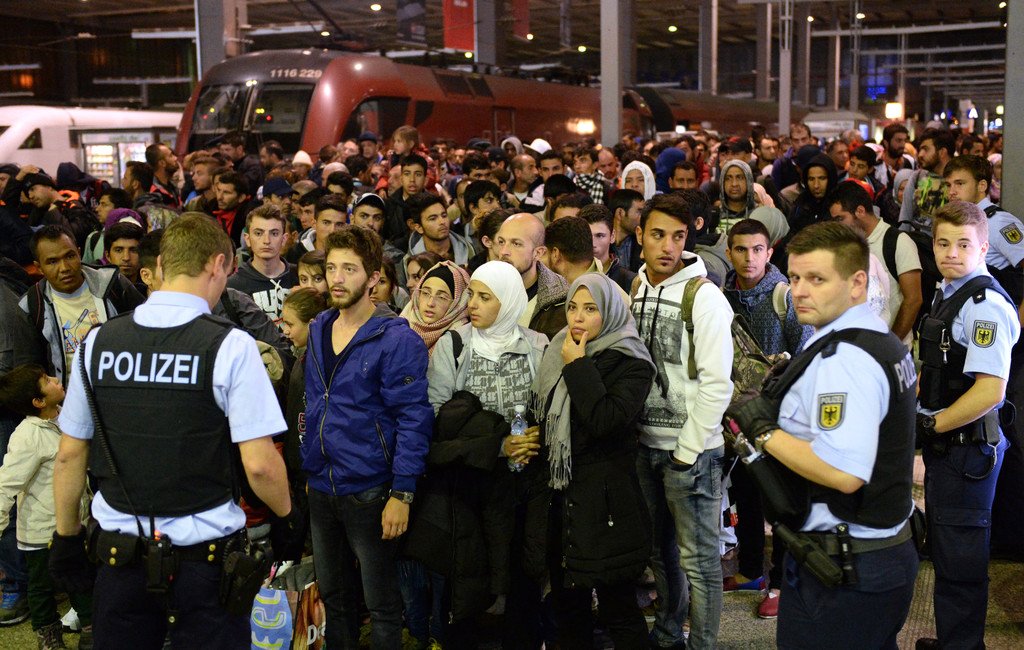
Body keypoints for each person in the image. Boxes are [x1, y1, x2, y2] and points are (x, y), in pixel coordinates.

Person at [49, 213, 301, 649]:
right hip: (205, 562)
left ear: (161, 265)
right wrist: (287, 517)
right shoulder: (231, 345)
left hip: (120, 557)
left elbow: (70, 453)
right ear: (219, 265)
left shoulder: (97, 341)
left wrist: (65, 536)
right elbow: (260, 465)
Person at [727, 220, 920, 649]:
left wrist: (763, 430)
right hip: (872, 554)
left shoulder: (845, 359)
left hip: (845, 566)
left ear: (857, 283)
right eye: (795, 277)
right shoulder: (876, 338)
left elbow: (843, 473)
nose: (800, 291)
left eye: (817, 279)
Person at [303, 225, 433, 649]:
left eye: (349, 269)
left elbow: (414, 419)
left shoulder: (396, 338)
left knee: (381, 605)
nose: (337, 278)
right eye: (331, 268)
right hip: (322, 485)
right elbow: (311, 403)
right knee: (334, 598)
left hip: (371, 489)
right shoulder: (319, 326)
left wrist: (402, 493)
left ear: (374, 277)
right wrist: (309, 462)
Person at [426, 260, 548, 647]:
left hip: (523, 481)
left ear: (508, 302)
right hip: (469, 484)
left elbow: (547, 408)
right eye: (471, 295)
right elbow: (437, 417)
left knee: (522, 575)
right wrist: (496, 444)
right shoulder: (454, 344)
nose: (472, 305)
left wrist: (531, 438)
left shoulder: (537, 345)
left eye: (484, 297)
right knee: (469, 580)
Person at [915, 201, 1020, 649]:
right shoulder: (950, 290)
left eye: (963, 244)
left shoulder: (984, 305)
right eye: (943, 243)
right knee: (948, 550)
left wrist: (932, 426)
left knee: (961, 561)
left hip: (967, 449)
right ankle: (953, 641)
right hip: (951, 446)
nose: (952, 253)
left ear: (982, 247)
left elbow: (990, 391)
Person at [632, 193, 734, 650]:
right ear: (639, 236)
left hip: (693, 453)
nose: (668, 246)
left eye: (678, 236)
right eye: (658, 235)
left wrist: (687, 451)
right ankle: (668, 632)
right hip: (645, 445)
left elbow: (718, 384)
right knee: (660, 553)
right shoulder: (637, 288)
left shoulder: (704, 297)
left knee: (701, 562)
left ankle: (702, 644)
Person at [534, 273, 655, 648]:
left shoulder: (633, 362)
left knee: (619, 609)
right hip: (563, 501)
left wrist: (577, 366)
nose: (577, 317)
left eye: (590, 309)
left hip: (606, 506)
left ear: (611, 312)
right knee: (570, 610)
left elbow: (604, 420)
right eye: (572, 307)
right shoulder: (559, 349)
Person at [0, 365, 93, 649]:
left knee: (81, 579)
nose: (55, 379)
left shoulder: (66, 417)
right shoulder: (27, 436)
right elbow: (7, 484)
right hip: (40, 533)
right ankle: (48, 634)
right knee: (41, 587)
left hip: (72, 525)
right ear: (38, 401)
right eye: (47, 381)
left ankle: (91, 629)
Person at [20, 225, 145, 387]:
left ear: (79, 253)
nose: (64, 268)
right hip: (67, 396)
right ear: (39, 267)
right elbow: (29, 368)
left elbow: (147, 331)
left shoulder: (113, 284)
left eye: (70, 256)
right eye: (52, 261)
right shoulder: (31, 305)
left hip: (120, 389)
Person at [829, 182, 923, 349]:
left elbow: (913, 300)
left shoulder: (898, 242)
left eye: (840, 219)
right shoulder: (844, 246)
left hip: (894, 350)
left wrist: (890, 345)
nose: (837, 226)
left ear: (860, 211)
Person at [494, 213, 569, 339]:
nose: (503, 252)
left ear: (538, 253)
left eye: (516, 244)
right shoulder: (482, 285)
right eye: (501, 242)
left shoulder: (561, 300)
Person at [227, 204, 299, 324]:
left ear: (284, 239)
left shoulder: (300, 276)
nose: (266, 241)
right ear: (247, 239)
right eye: (258, 233)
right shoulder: (233, 286)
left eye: (274, 233)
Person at [400, 261, 471, 356]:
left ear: (456, 304)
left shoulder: (462, 341)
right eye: (425, 293)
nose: (430, 303)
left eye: (441, 297)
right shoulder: (401, 326)